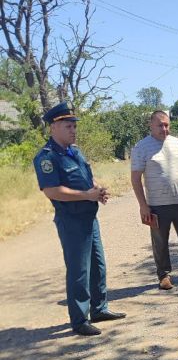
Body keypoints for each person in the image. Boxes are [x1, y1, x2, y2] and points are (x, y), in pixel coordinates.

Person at [33, 102, 126, 337]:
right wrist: (86, 195)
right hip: (71, 221)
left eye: (74, 126)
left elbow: (87, 178)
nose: (73, 130)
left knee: (98, 265)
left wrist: (97, 189)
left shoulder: (75, 151)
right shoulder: (47, 157)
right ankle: (79, 319)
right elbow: (51, 191)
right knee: (79, 271)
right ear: (53, 127)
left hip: (89, 218)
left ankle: (99, 309)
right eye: (68, 126)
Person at [130, 110, 178, 290]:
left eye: (166, 125)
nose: (164, 128)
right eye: (160, 125)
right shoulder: (141, 147)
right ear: (151, 126)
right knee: (160, 242)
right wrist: (143, 205)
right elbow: (135, 178)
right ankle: (163, 275)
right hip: (157, 205)